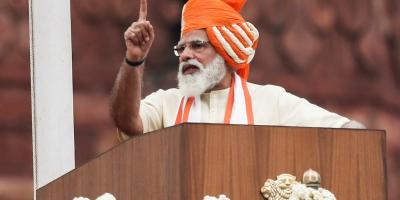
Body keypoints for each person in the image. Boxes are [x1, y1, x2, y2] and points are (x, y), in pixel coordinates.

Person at [110, 0, 364, 140]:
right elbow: (127, 121)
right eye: (181, 48)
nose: (186, 54)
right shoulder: (168, 103)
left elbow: (347, 130)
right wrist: (134, 59)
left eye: (197, 45)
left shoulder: (270, 100)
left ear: (225, 50)